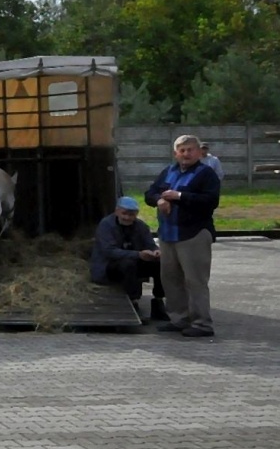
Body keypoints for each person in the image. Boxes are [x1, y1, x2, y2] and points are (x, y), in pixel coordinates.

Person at [145, 134, 221, 338]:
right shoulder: (168, 171)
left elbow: (210, 201)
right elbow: (150, 193)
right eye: (182, 150)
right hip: (168, 234)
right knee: (171, 279)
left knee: (195, 281)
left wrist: (179, 196)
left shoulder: (206, 174)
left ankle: (202, 323)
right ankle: (179, 319)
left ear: (199, 152)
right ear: (175, 153)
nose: (186, 154)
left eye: (190, 150)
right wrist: (158, 200)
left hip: (193, 234)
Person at [90, 197, 167, 321]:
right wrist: (138, 254)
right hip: (109, 266)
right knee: (128, 264)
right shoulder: (106, 225)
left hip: (134, 260)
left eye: (131, 214)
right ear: (117, 211)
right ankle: (134, 301)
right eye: (124, 213)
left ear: (136, 214)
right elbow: (109, 251)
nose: (127, 217)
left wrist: (155, 251)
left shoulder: (140, 226)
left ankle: (158, 300)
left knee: (160, 263)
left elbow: (150, 243)